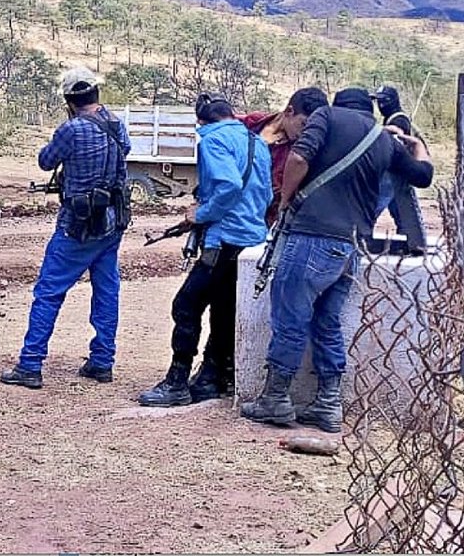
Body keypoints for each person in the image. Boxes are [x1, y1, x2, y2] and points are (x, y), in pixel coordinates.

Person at [241, 88, 433, 432]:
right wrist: (415, 143)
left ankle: (276, 399)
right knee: (327, 323)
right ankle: (328, 405)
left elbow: (298, 159)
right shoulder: (383, 139)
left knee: (290, 318)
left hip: (311, 236)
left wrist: (285, 201)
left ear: (338, 105)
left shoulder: (326, 117)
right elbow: (423, 175)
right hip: (350, 248)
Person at [0, 67, 131, 389]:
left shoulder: (71, 130)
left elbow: (46, 161)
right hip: (113, 221)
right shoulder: (116, 124)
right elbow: (124, 153)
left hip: (78, 225)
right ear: (96, 95)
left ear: (69, 100)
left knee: (48, 292)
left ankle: (30, 365)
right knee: (107, 290)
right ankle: (102, 361)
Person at [137, 93, 272, 407]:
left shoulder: (212, 141)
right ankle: (212, 377)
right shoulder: (257, 143)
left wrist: (200, 214)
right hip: (251, 238)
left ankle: (177, 382)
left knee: (186, 304)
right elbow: (265, 194)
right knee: (224, 308)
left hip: (222, 238)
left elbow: (228, 186)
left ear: (201, 121)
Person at [239, 88, 329, 226]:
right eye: (304, 124)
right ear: (289, 111)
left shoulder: (298, 153)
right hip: (230, 208)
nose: (306, 133)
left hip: (261, 221)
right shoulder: (253, 123)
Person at [371, 85, 428, 253]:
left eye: (383, 101)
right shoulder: (393, 117)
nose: (380, 105)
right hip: (400, 170)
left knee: (376, 204)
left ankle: (361, 232)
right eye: (378, 102)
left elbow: (398, 138)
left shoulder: (398, 119)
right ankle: (413, 241)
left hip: (393, 170)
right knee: (398, 207)